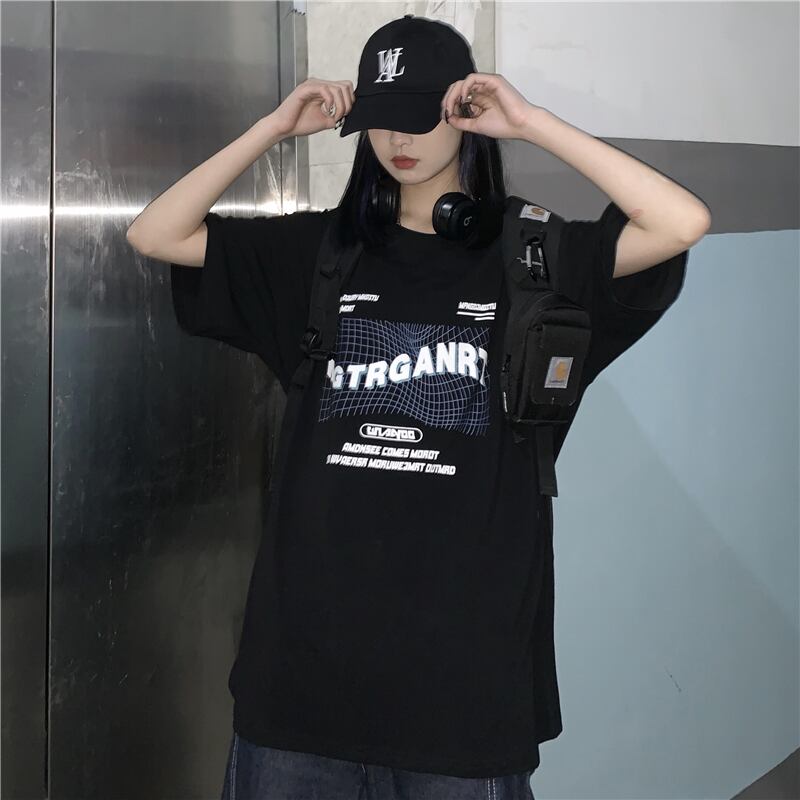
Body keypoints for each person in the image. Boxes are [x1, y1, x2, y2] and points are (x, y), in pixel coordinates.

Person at [127, 15, 710, 800]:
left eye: (420, 114)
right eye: (380, 118)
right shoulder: (320, 253)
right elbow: (156, 233)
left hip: (461, 695)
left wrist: (531, 123)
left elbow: (679, 222)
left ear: (463, 112)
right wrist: (272, 129)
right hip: (300, 685)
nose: (398, 138)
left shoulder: (530, 260)